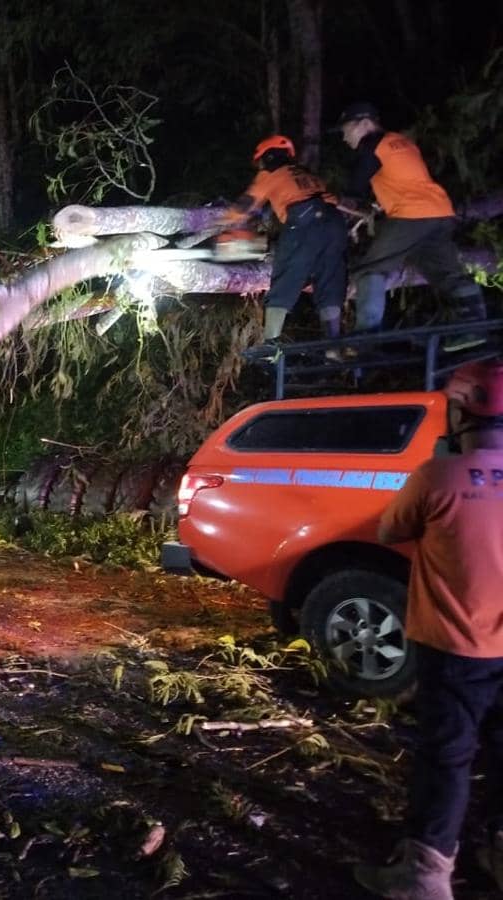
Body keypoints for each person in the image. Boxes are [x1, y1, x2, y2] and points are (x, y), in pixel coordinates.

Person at [355, 358, 503, 899]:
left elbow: (392, 528)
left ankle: (424, 878)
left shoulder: (438, 476)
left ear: (459, 411)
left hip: (458, 646)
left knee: (447, 757)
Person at [337, 101, 487, 351]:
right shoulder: (402, 142)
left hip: (411, 215)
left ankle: (365, 337)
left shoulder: (371, 144)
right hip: (439, 212)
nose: (344, 137)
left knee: (369, 270)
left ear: (364, 124)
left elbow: (355, 188)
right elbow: (402, 180)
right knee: (447, 274)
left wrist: (337, 205)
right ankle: (474, 329)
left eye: (346, 129)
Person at [225, 135, 348, 358]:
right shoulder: (306, 174)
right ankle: (333, 346)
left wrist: (222, 221)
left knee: (286, 275)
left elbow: (245, 205)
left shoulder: (271, 172)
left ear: (267, 156)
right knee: (329, 280)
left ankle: (271, 343)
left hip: (305, 220)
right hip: (335, 221)